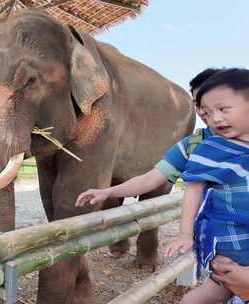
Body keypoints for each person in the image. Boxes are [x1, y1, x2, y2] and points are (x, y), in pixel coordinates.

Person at [75, 68, 221, 207]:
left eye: (212, 102)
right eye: (197, 103)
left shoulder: (244, 143)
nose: (203, 110)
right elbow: (151, 179)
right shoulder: (193, 144)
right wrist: (107, 192)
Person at [165, 68, 249, 304]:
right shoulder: (211, 149)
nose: (215, 119)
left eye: (223, 109)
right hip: (230, 251)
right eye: (207, 112)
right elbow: (192, 190)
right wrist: (184, 233)